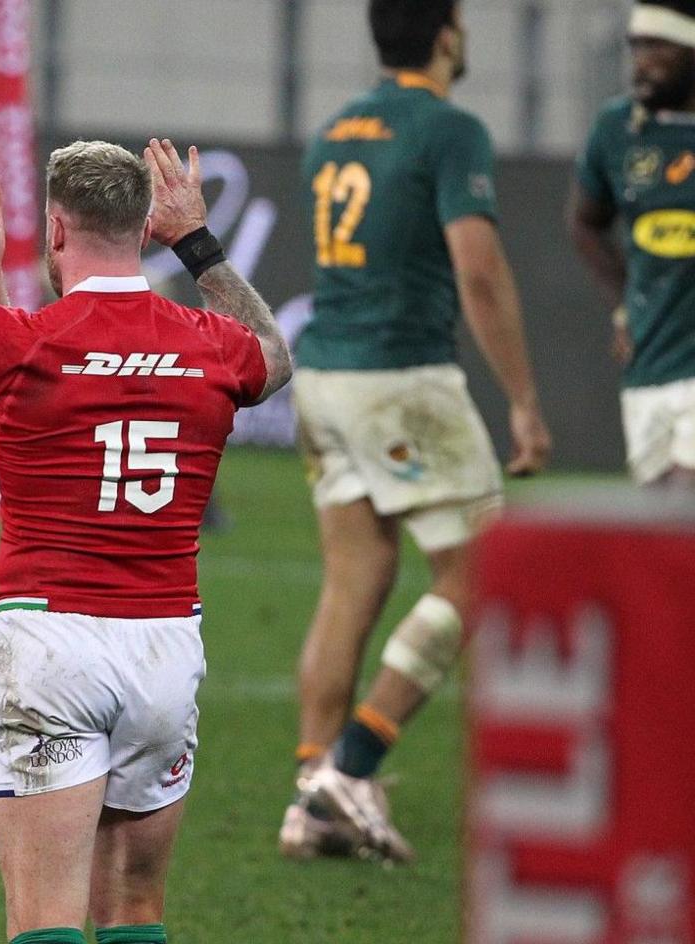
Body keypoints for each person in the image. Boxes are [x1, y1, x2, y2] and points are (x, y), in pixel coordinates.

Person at [0, 136, 291, 944]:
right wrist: (199, 243)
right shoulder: (211, 345)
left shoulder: (22, 342)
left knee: (44, 918)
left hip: (51, 647)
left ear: (53, 230)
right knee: (134, 908)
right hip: (166, 647)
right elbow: (276, 358)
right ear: (148, 225)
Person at [282, 0, 551, 863]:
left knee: (353, 579)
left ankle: (308, 799)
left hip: (321, 376)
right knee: (482, 571)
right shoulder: (449, 128)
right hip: (400, 379)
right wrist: (523, 399)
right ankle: (352, 770)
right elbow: (477, 267)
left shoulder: (334, 130)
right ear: (446, 35)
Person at [571, 0, 695, 491]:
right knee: (660, 535)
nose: (641, 61)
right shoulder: (617, 129)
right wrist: (622, 306)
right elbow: (584, 223)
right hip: (648, 365)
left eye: (656, 47)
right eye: (636, 47)